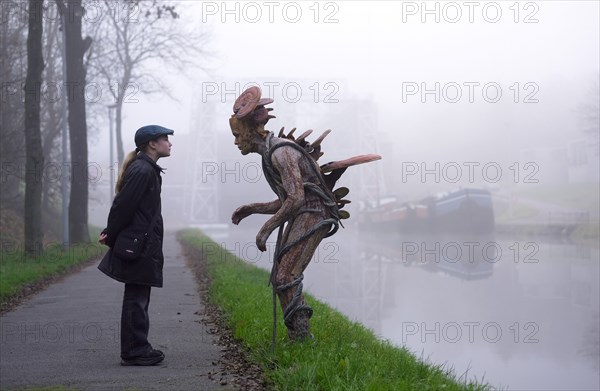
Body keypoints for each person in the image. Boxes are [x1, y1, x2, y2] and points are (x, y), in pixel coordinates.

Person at [98, 124, 173, 366]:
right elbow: (122, 206)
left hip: (142, 243)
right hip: (139, 244)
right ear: (152, 144)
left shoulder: (146, 168)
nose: (170, 144)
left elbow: (128, 206)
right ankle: (134, 351)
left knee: (138, 295)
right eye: (165, 139)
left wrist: (111, 232)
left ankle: (137, 347)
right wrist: (110, 234)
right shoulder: (142, 170)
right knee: (136, 296)